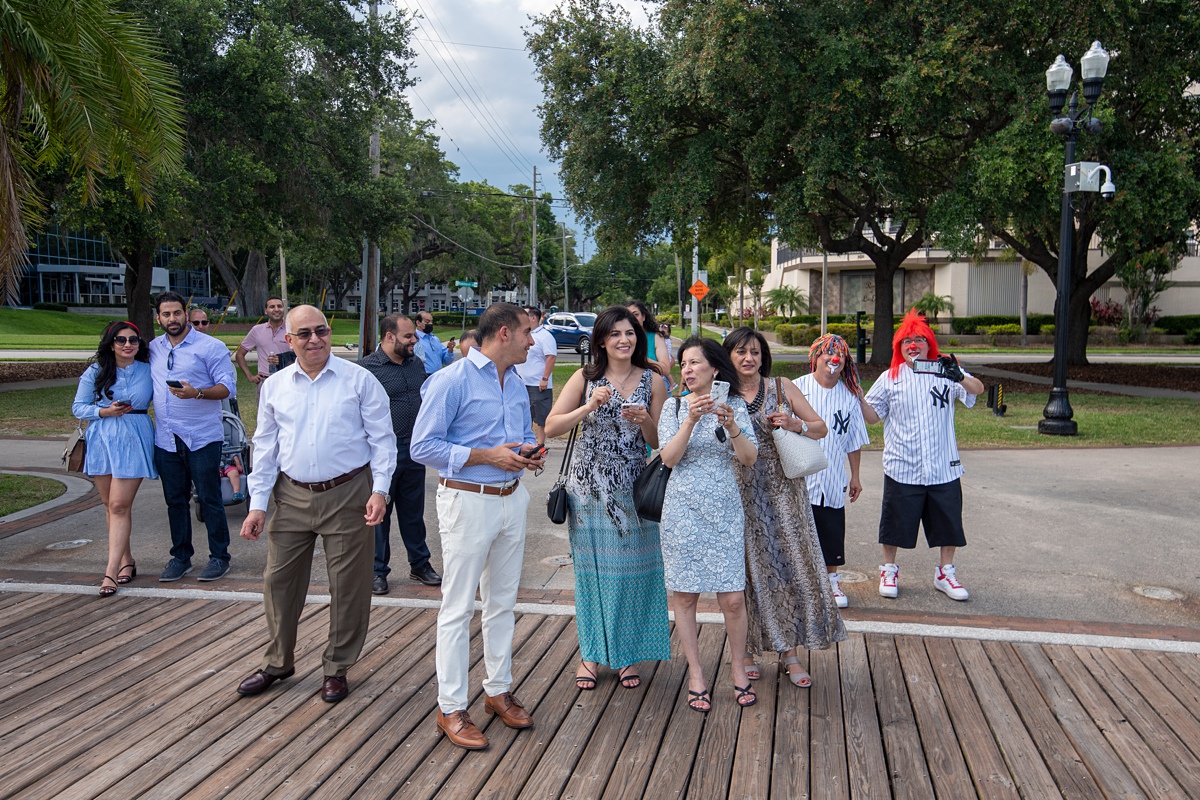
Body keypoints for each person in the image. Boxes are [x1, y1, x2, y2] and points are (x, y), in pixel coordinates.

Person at [236, 305, 396, 704]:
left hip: (348, 493)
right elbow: (266, 446)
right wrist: (258, 504)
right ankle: (278, 662)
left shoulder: (359, 380)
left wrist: (380, 490)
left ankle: (336, 667)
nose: (314, 340)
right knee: (279, 581)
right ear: (287, 340)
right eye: (303, 333)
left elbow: (383, 441)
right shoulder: (275, 386)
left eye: (321, 331)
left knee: (348, 586)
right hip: (290, 496)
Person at [410, 302, 548, 751]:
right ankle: (450, 706)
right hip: (467, 501)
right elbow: (422, 446)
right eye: (528, 332)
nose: (534, 341)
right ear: (504, 333)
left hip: (511, 498)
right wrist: (488, 456)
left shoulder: (516, 382)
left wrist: (527, 453)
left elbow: (507, 440)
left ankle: (496, 690)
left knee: (503, 602)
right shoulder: (451, 380)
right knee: (457, 608)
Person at [544, 306, 670, 693]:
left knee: (633, 574)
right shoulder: (586, 378)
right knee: (593, 575)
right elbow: (550, 427)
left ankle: (628, 653)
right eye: (614, 334)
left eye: (630, 333)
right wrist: (588, 406)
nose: (623, 340)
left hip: (635, 491)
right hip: (588, 492)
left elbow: (661, 444)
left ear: (639, 337)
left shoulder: (654, 380)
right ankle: (591, 655)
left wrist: (645, 421)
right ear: (601, 339)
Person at [723, 327, 843, 689]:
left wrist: (796, 424)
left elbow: (820, 428)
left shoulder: (781, 387)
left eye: (756, 352)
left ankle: (789, 652)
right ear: (728, 356)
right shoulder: (720, 391)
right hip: (738, 494)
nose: (749, 358)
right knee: (746, 574)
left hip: (784, 494)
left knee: (791, 569)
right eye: (741, 352)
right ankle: (746, 651)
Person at [658, 337, 758, 712]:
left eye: (695, 362)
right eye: (683, 363)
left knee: (732, 598)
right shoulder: (673, 406)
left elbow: (749, 459)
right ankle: (696, 674)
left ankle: (737, 669)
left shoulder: (734, 406)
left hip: (724, 510)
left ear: (715, 369)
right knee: (685, 596)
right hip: (682, 510)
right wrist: (690, 419)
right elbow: (668, 458)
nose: (687, 369)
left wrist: (731, 426)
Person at [865, 309, 985, 601]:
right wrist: (856, 393)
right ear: (899, 348)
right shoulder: (890, 377)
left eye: (920, 339)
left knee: (948, 524)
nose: (913, 345)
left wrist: (959, 376)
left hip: (943, 464)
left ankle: (945, 573)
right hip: (902, 465)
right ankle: (889, 569)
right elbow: (872, 416)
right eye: (906, 341)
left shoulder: (945, 370)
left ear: (931, 343)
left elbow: (977, 390)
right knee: (894, 523)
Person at [150, 291, 237, 582]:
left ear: (186, 314)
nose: (172, 319)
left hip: (201, 437)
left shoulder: (210, 347)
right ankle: (180, 557)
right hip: (166, 438)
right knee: (175, 500)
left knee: (210, 497)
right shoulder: (153, 348)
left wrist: (197, 393)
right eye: (166, 314)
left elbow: (227, 388)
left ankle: (219, 556)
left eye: (176, 313)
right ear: (158, 317)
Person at [71, 321, 156, 596]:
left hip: (133, 437)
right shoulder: (96, 371)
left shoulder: (148, 369)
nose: (128, 345)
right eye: (121, 340)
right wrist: (104, 412)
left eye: (133, 340)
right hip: (102, 439)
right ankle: (126, 561)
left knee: (119, 505)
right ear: (111, 343)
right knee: (110, 505)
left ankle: (109, 572)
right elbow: (78, 407)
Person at [359, 313, 441, 596]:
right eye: (408, 336)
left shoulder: (415, 364)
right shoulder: (367, 369)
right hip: (381, 452)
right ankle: (376, 570)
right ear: (389, 336)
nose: (414, 340)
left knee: (413, 512)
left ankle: (419, 563)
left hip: (414, 449)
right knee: (379, 513)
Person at [794, 334, 875, 608]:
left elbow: (853, 441)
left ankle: (831, 580)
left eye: (839, 354)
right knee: (798, 531)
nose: (833, 358)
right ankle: (800, 582)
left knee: (830, 530)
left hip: (831, 478)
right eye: (827, 353)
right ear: (815, 357)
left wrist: (855, 476)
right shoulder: (797, 389)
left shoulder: (849, 396)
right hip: (800, 476)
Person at [518, 306, 558, 447]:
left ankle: (540, 445)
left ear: (533, 318)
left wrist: (545, 378)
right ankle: (526, 443)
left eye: (525, 315)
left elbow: (551, 357)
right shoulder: (522, 334)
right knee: (524, 415)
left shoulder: (545, 336)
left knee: (540, 416)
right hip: (522, 382)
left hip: (538, 383)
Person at [234, 296, 289, 386]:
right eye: (272, 307)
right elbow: (239, 355)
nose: (276, 309)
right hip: (264, 382)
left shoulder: (292, 330)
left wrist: (283, 360)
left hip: (288, 380)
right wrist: (250, 376)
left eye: (279, 306)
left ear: (283, 309)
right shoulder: (257, 330)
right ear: (266, 311)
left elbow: (302, 355)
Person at [626, 301, 672, 380]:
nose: (632, 318)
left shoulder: (656, 337)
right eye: (628, 315)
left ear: (643, 316)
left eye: (636, 314)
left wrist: (641, 358)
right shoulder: (620, 340)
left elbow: (666, 369)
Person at [414, 310, 455, 374]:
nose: (430, 324)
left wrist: (450, 350)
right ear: (418, 323)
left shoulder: (435, 339)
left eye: (431, 321)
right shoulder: (414, 339)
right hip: (423, 377)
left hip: (438, 376)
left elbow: (447, 361)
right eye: (427, 321)